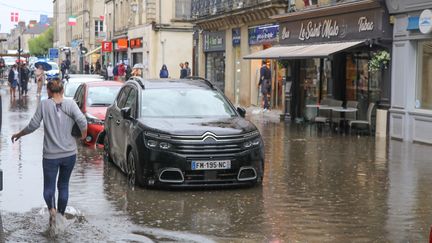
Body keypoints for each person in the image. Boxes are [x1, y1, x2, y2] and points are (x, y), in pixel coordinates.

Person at [11, 79, 87, 232]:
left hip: (50, 155)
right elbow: (82, 121)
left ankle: (51, 209)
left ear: (49, 91)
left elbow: (33, 125)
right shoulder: (71, 104)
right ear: (62, 91)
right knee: (64, 185)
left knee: (49, 187)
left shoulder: (44, 105)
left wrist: (19, 134)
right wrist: (83, 136)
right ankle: (60, 216)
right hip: (69, 154)